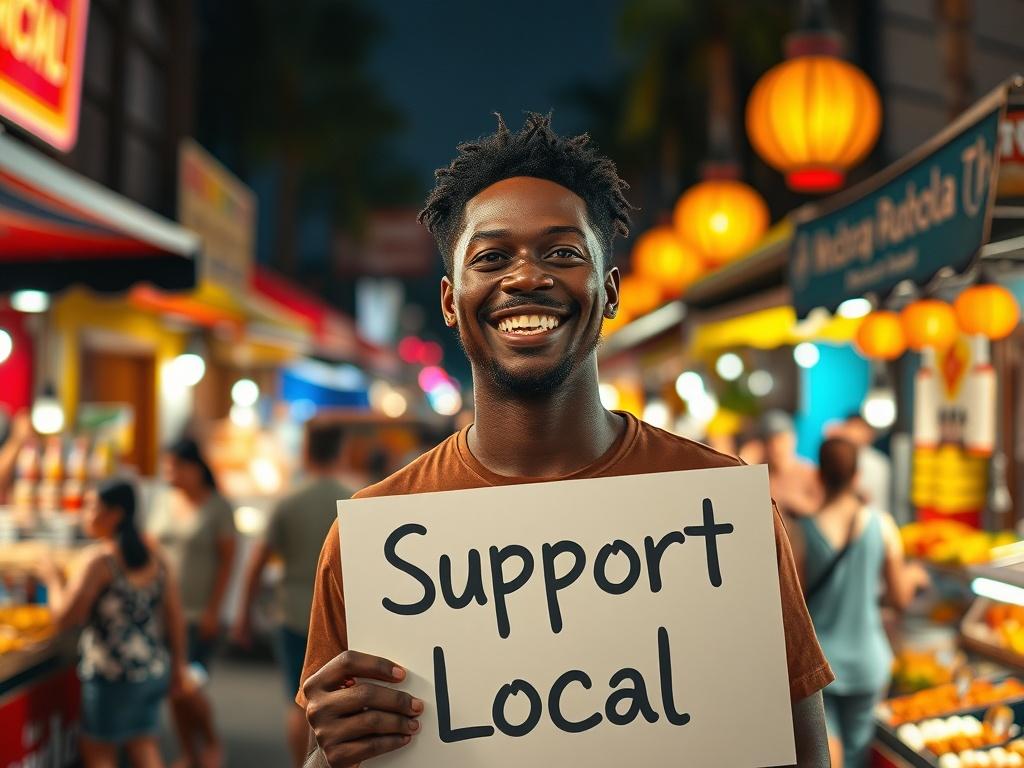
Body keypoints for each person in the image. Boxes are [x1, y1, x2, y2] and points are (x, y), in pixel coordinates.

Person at [297, 113, 833, 767]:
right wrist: (327, 756)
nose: (526, 277)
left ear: (609, 290)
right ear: (449, 299)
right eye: (491, 257)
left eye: (562, 252)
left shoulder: (722, 516)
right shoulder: (373, 542)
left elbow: (805, 756)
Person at [789, 438, 925, 768]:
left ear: (819, 476)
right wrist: (914, 577)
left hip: (821, 666)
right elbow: (898, 599)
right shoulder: (883, 526)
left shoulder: (800, 534)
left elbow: (796, 606)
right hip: (869, 663)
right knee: (858, 754)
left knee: (827, 758)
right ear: (857, 475)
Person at [39, 480, 189, 768]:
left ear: (116, 514)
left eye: (92, 506)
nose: (85, 514)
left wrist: (52, 580)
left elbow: (64, 619)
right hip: (151, 668)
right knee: (143, 745)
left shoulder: (99, 561)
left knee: (99, 751)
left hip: (111, 675)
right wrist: (179, 665)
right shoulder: (155, 555)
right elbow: (174, 616)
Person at [232, 422, 353, 767]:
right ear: (341, 451)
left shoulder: (287, 502)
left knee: (297, 702)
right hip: (344, 618)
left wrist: (243, 614)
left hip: (293, 614)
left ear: (305, 451)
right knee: (342, 703)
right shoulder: (358, 498)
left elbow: (257, 563)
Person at [149, 438, 236, 768]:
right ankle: (190, 752)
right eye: (166, 465)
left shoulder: (217, 507)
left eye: (176, 465)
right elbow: (150, 546)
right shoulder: (162, 500)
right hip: (162, 612)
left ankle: (212, 741)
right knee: (174, 687)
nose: (169, 472)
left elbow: (228, 561)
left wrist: (215, 608)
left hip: (199, 614)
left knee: (189, 685)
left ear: (195, 468)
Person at [828, 413, 893, 514]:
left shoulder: (878, 462)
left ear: (869, 434)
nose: (855, 433)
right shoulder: (838, 458)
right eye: (852, 427)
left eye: (859, 428)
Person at [761, 409, 822, 517]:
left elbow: (821, 512)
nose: (776, 447)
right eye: (770, 442)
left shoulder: (810, 473)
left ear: (793, 439)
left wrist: (793, 504)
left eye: (781, 440)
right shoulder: (761, 476)